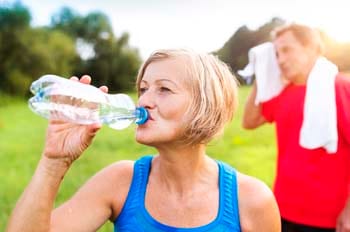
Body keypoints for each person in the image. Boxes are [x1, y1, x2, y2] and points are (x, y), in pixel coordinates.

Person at [6, 49, 280, 232]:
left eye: (164, 89)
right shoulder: (121, 181)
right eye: (143, 88)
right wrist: (54, 162)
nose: (145, 100)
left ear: (206, 106)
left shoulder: (251, 200)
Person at [242, 23, 350, 232]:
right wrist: (262, 75)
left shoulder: (340, 88)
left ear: (311, 48)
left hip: (327, 217)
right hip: (282, 208)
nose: (280, 60)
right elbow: (249, 121)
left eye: (287, 50)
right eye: (276, 53)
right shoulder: (283, 92)